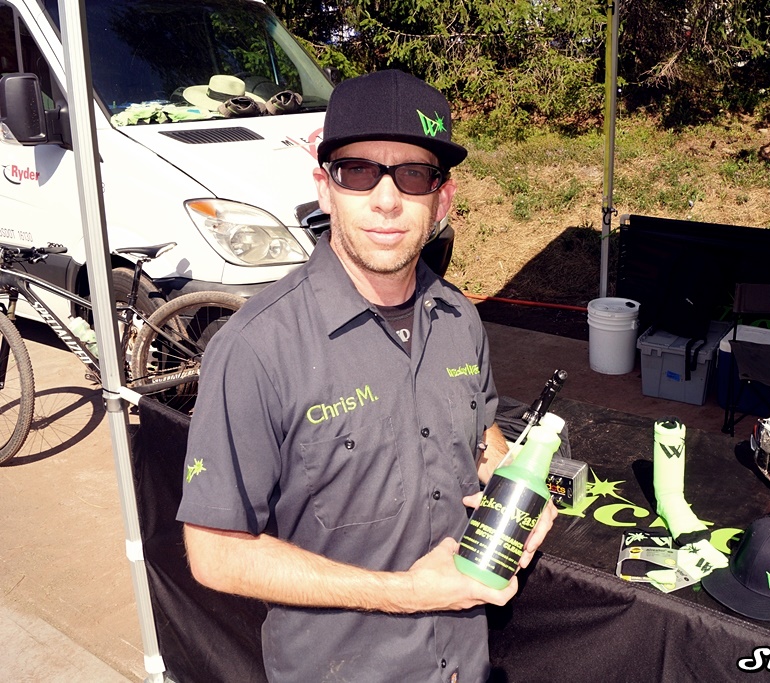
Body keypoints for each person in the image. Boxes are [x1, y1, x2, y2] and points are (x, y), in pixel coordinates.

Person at [176, 70, 557, 683]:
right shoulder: (256, 348)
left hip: (464, 663)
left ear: (443, 199)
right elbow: (215, 553)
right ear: (325, 190)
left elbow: (481, 435)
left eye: (414, 175)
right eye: (358, 172)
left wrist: (522, 487)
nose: (386, 200)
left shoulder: (459, 317)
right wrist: (405, 593)